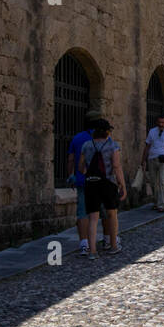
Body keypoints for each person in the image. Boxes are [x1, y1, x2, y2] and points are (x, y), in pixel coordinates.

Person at [78, 118, 125, 258]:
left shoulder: (86, 145)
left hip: (91, 183)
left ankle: (92, 251)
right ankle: (113, 245)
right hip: (108, 182)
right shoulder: (113, 146)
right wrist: (122, 184)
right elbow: (116, 166)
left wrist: (88, 172)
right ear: (107, 132)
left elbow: (81, 167)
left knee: (93, 217)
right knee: (112, 214)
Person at [67, 109, 104, 256]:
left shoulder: (77, 138)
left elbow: (70, 159)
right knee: (100, 212)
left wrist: (71, 175)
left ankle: (84, 243)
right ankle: (107, 240)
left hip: (82, 180)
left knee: (82, 212)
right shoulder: (103, 138)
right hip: (99, 181)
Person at [141, 113, 164, 211]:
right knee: (153, 182)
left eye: (163, 122)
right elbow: (147, 146)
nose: (161, 124)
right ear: (157, 122)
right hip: (152, 158)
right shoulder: (152, 132)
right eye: (159, 122)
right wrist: (143, 159)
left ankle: (161, 205)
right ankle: (156, 201)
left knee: (162, 181)